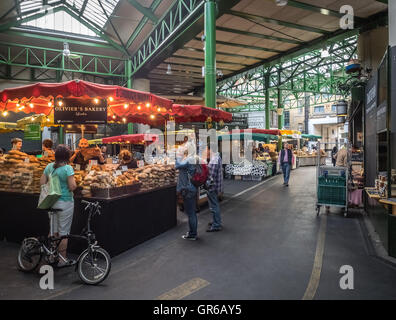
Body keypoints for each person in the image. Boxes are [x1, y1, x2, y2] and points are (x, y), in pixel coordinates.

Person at [40, 145, 77, 267]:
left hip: (52, 201)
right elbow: (72, 187)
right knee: (63, 233)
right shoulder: (68, 168)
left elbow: (42, 182)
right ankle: (62, 259)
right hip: (65, 202)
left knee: (53, 231)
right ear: (67, 156)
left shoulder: (49, 166)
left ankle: (51, 255)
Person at [176, 150, 198, 240]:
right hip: (191, 188)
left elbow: (176, 165)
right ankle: (193, 232)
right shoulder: (193, 159)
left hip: (188, 189)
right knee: (192, 212)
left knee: (191, 213)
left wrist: (178, 156)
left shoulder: (188, 160)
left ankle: (192, 234)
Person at [206, 146, 223, 232]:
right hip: (217, 185)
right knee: (214, 205)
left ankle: (216, 225)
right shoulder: (217, 157)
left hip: (213, 187)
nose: (206, 151)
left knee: (214, 206)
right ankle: (216, 221)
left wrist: (206, 185)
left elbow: (210, 177)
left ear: (210, 149)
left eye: (207, 149)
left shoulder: (213, 160)